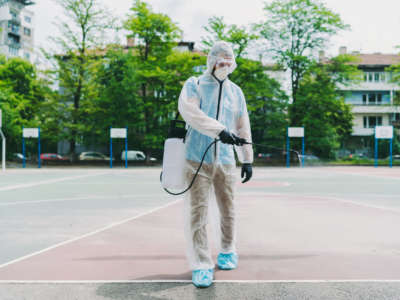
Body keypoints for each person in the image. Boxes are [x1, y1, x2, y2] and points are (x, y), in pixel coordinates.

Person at [178, 41, 253, 288]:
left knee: (228, 208)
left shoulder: (236, 92)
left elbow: (243, 126)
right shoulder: (194, 84)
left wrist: (247, 158)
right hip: (196, 158)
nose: (225, 65)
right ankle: (201, 264)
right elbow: (191, 112)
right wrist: (219, 130)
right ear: (211, 61)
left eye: (229, 62)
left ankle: (228, 249)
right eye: (221, 61)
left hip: (225, 160)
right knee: (197, 212)